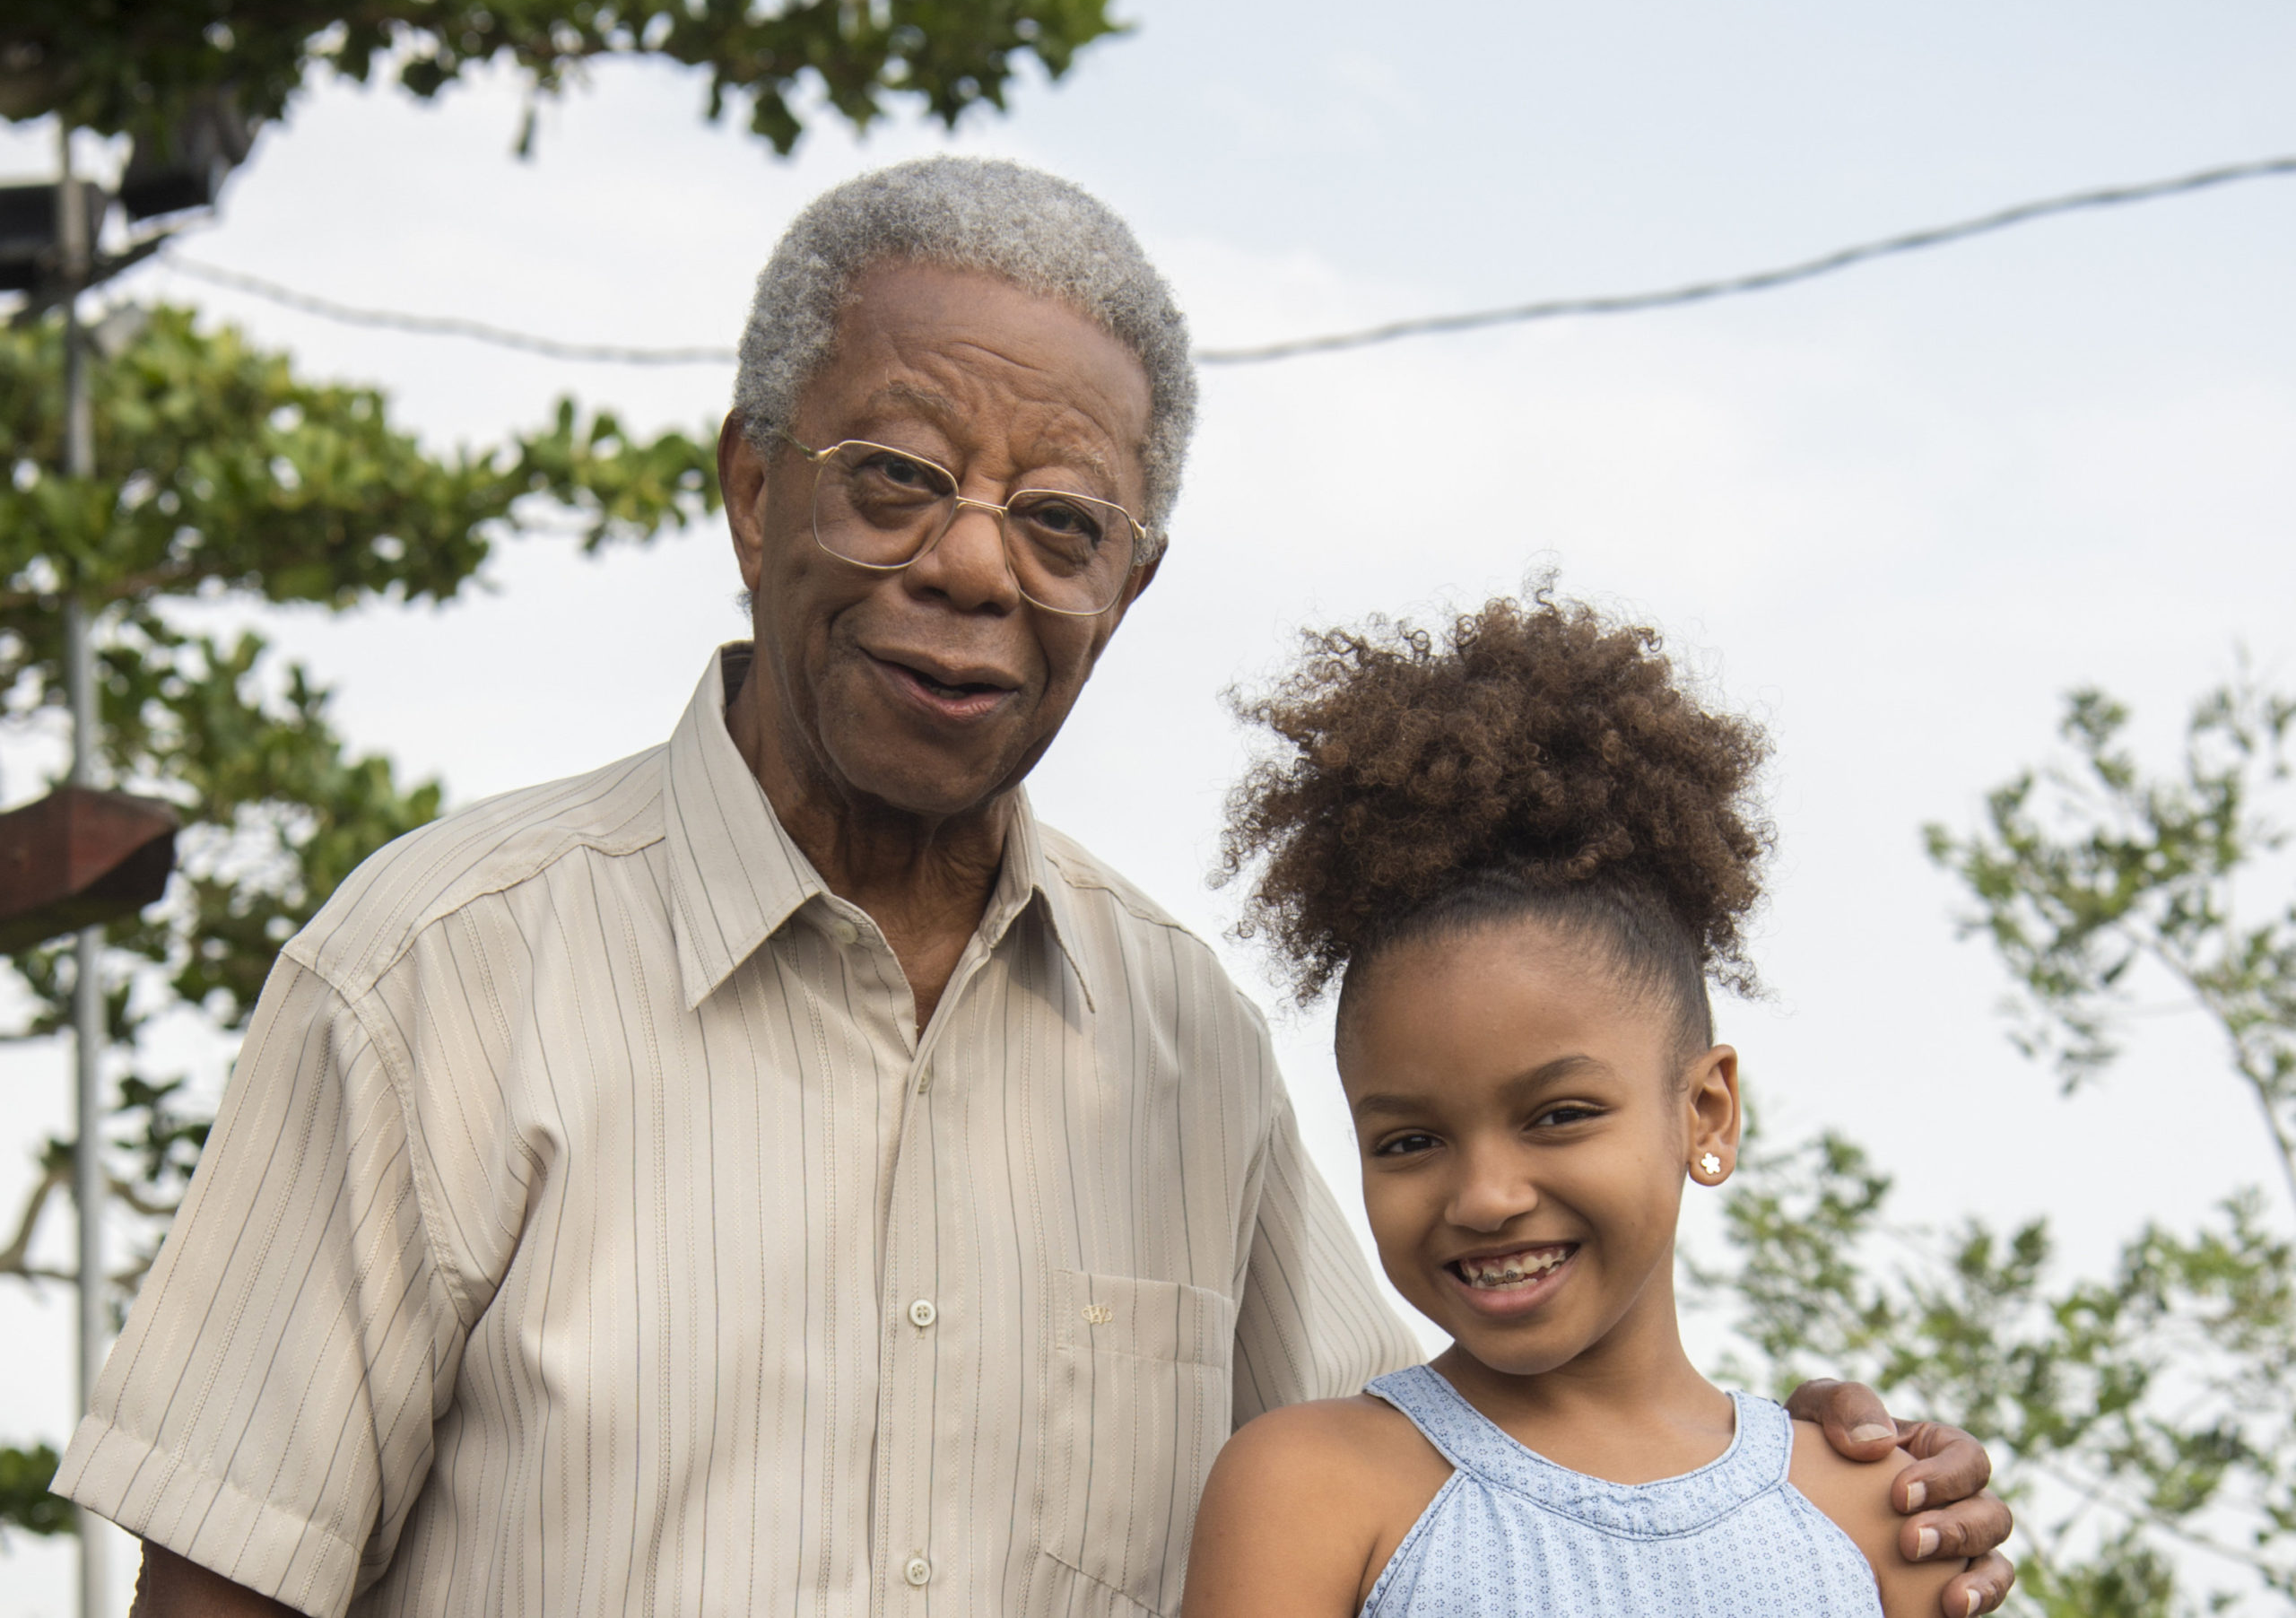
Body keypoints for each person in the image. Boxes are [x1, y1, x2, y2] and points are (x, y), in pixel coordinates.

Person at [54, 160, 2013, 1617]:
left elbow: (1469, 1464)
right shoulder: (435, 975)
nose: (974, 567)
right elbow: (223, 1587)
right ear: (751, 491)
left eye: (1059, 521)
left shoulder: (1191, 1046)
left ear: (1129, 584)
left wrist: (1802, 1485)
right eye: (894, 478)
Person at [1184, 592, 1996, 1616]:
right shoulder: (1309, 1488)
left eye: (1558, 1114)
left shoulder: (1866, 1512)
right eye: (1409, 1138)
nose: (1483, 1194)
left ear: (1705, 1112)